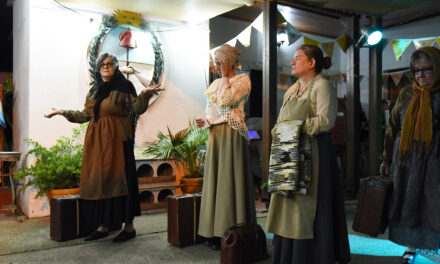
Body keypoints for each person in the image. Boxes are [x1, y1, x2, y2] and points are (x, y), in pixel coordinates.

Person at [44, 53, 164, 242]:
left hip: (118, 141)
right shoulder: (94, 90)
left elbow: (137, 109)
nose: (106, 67)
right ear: (98, 68)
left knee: (122, 181)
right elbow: (85, 115)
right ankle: (103, 225)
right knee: (101, 182)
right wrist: (62, 112)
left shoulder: (125, 87)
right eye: (102, 64)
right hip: (97, 143)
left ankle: (129, 227)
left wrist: (145, 94)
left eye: (110, 64)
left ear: (116, 67)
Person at [265, 44, 351, 264]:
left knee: (307, 204)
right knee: (287, 202)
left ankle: (310, 256)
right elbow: (282, 120)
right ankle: (287, 255)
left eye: (297, 58)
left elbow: (326, 121)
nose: (292, 62)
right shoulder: (292, 90)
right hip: (287, 154)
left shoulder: (322, 86)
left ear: (312, 63)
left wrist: (295, 127)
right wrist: (279, 128)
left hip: (312, 154)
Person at [380, 46, 440, 264]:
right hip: (406, 161)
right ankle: (411, 247)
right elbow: (392, 127)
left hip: (434, 160)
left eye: (427, 69)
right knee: (409, 203)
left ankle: (434, 246)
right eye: (417, 70)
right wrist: (386, 159)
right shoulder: (407, 93)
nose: (421, 75)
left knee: (433, 204)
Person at [195, 44, 256, 250]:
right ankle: (211, 231)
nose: (218, 65)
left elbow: (226, 100)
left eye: (221, 61)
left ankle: (230, 230)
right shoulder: (215, 84)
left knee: (229, 180)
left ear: (229, 60)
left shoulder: (242, 80)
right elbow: (211, 110)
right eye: (217, 61)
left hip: (232, 133)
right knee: (214, 180)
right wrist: (205, 121)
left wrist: (226, 77)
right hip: (216, 134)